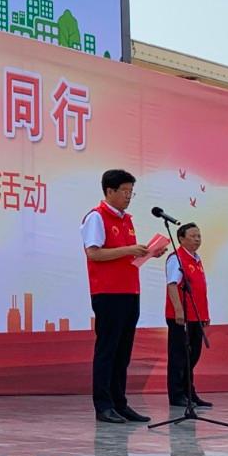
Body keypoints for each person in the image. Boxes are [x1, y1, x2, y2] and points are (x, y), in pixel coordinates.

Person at [83, 169, 150, 425]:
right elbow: (94, 254)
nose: (128, 196)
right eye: (124, 191)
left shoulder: (127, 219)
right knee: (107, 351)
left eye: (131, 192)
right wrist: (129, 250)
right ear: (109, 191)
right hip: (107, 293)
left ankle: (120, 403)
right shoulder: (96, 217)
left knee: (123, 352)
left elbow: (125, 257)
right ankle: (103, 405)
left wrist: (146, 252)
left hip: (130, 292)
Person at [164, 223, 212, 408]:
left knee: (193, 355)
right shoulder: (177, 258)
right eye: (193, 236)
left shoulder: (197, 259)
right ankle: (177, 395)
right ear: (181, 239)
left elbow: (200, 290)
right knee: (179, 356)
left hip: (196, 317)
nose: (197, 239)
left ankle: (189, 392)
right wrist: (178, 310)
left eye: (199, 236)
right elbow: (172, 285)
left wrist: (204, 315)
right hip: (181, 317)